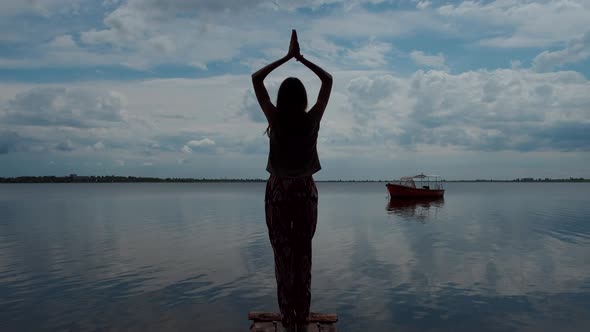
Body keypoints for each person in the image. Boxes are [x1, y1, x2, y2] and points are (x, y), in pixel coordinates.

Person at [251, 30, 332, 331]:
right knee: (303, 256)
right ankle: (302, 318)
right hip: (304, 193)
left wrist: (286, 58)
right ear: (303, 99)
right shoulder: (311, 120)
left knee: (283, 257)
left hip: (280, 192)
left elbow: (256, 80)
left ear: (281, 99)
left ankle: (289, 320)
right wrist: (303, 59)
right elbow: (328, 82)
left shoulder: (276, 119)